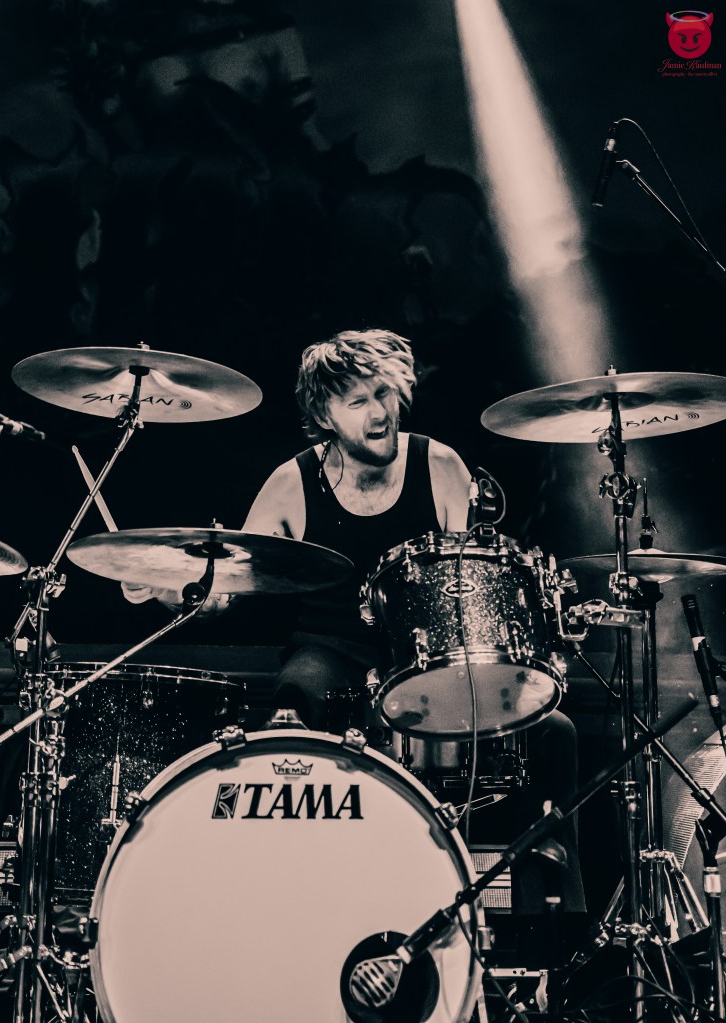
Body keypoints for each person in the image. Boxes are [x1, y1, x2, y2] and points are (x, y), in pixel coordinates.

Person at [123, 328, 586, 935]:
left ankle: (552, 929)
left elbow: (472, 578)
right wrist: (163, 584)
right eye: (358, 401)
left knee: (552, 730)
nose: (380, 413)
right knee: (298, 695)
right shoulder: (291, 483)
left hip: (425, 658)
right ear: (324, 416)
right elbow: (227, 590)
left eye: (384, 394)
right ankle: (301, 909)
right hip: (331, 651)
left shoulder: (439, 465)